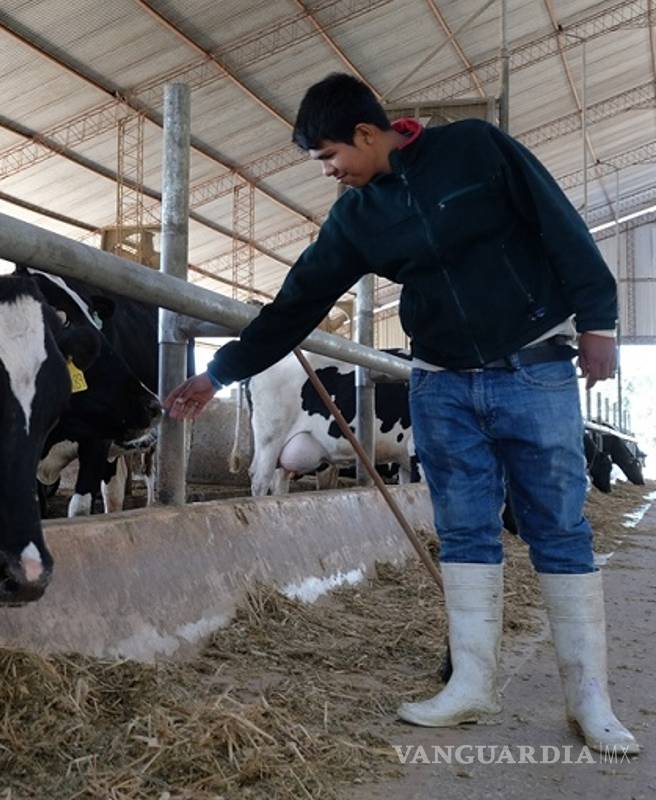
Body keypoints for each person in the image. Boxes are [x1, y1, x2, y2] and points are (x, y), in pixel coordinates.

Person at [165, 73, 638, 755]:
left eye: (330, 157)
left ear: (366, 132)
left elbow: (556, 221)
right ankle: (470, 686)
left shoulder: (476, 150)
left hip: (532, 366)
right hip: (441, 384)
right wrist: (220, 373)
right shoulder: (357, 218)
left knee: (559, 526)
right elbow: (296, 303)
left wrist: (599, 322)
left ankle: (590, 701)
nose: (331, 173)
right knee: (465, 529)